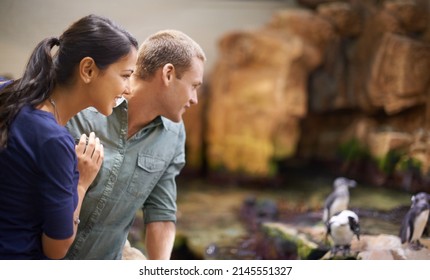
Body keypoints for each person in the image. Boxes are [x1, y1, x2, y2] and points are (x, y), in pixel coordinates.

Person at [0, 14, 138, 260]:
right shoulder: (55, 141)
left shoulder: (7, 91)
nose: (129, 89)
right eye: (125, 75)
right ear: (88, 70)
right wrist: (82, 183)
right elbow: (57, 248)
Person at [65, 29, 206, 260]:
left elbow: (161, 213)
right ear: (168, 74)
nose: (194, 99)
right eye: (194, 86)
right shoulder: (82, 107)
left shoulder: (174, 133)